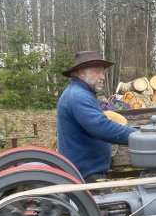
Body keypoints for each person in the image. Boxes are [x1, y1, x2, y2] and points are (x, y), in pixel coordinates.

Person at [57, 51, 136, 182]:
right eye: (97, 71)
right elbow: (101, 127)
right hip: (85, 176)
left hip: (89, 173)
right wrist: (139, 136)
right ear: (82, 73)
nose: (103, 77)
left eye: (103, 72)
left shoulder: (82, 93)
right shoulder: (78, 96)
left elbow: (96, 122)